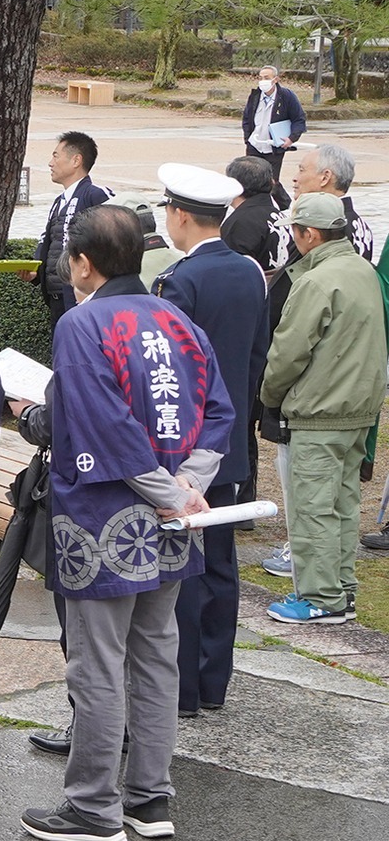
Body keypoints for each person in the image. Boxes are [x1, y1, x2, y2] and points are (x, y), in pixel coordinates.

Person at [16, 206, 230, 841]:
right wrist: (188, 485)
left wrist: (169, 492)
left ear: (82, 263)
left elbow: (106, 426)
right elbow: (218, 410)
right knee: (157, 656)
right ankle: (150, 797)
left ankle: (92, 807)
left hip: (105, 516)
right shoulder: (178, 320)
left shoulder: (82, 324)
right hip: (175, 517)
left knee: (98, 664)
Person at [152, 165, 269, 714]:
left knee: (183, 568)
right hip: (231, 438)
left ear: (179, 214)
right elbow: (256, 356)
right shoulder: (249, 272)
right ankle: (213, 682)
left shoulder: (180, 280)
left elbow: (170, 377)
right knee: (220, 564)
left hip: (188, 449)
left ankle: (182, 690)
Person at [262, 193, 388, 625]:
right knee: (344, 504)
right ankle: (342, 590)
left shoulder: (316, 281)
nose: (292, 240)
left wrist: (270, 396)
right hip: (359, 408)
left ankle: (320, 597)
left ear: (310, 234)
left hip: (320, 411)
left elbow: (288, 352)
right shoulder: (362, 270)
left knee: (313, 507)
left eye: (295, 232)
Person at [34, 131, 111, 319]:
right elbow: (48, 241)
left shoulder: (96, 195)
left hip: (82, 298)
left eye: (56, 156)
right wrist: (34, 271)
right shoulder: (58, 202)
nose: (50, 163)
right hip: (56, 297)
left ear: (76, 160)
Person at [291, 144, 375, 263]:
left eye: (301, 170)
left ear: (325, 178)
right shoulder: (359, 224)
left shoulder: (325, 224)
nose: (295, 178)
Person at [243, 66, 306, 202]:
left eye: (266, 78)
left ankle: (284, 204)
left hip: (274, 146)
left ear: (275, 79)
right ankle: (255, 206)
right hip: (255, 144)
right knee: (252, 179)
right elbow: (247, 118)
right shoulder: (255, 96)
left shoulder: (286, 96)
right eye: (260, 78)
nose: (262, 81)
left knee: (271, 182)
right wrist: (248, 138)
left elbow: (299, 119)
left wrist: (291, 138)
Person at [223, 155, 287, 273]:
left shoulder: (241, 222)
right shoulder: (279, 216)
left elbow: (232, 271)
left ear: (234, 185)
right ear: (271, 182)